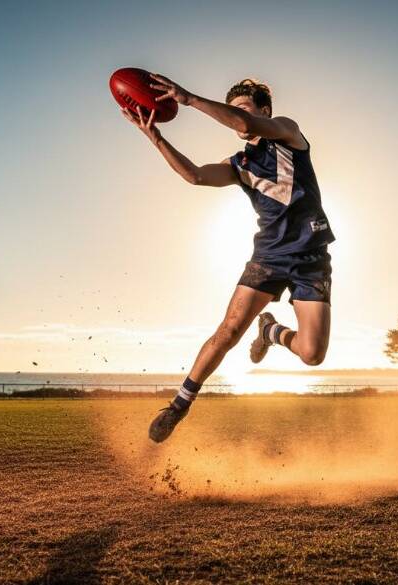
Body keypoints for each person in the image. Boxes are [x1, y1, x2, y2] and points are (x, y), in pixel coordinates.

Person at [120, 75, 335, 443]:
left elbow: (244, 124)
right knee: (228, 331)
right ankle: (179, 405)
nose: (238, 116)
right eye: (233, 108)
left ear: (264, 110)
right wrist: (155, 137)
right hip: (268, 255)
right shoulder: (239, 163)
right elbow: (196, 175)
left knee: (313, 355)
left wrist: (188, 99)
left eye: (244, 106)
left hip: (311, 257)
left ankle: (272, 332)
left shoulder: (287, 132)